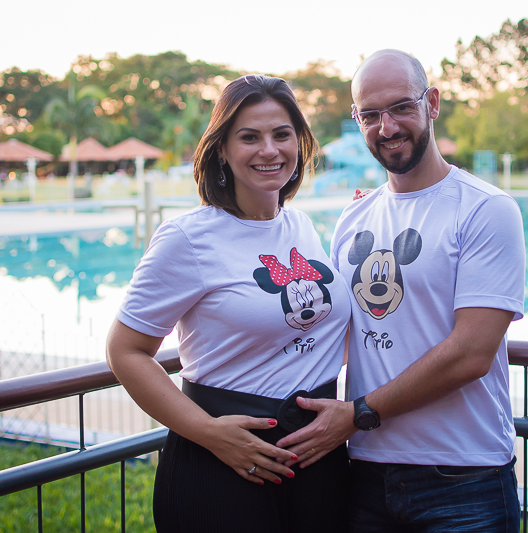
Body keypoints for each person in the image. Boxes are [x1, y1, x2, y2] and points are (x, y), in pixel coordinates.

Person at [277, 50, 526, 532]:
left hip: (463, 476)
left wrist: (358, 413)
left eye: (401, 107)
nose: (387, 127)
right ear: (357, 119)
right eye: (370, 115)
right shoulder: (354, 217)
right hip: (365, 471)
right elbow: (338, 332)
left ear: (432, 103)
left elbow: (472, 353)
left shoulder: (486, 210)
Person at [106, 74, 351, 533]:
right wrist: (209, 433)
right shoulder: (187, 239)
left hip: (317, 457)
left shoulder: (301, 227)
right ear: (222, 148)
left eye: (282, 135)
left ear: (299, 142)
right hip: (225, 460)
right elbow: (125, 351)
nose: (269, 150)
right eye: (249, 137)